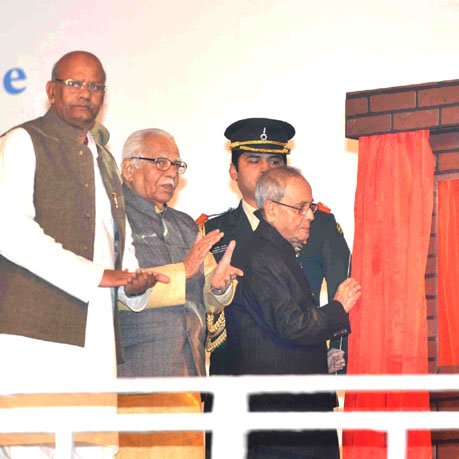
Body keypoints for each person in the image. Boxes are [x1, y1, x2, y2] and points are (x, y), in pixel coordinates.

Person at [0, 51, 166, 457]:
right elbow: (9, 230)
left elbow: (117, 244)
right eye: (74, 83)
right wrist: (95, 275)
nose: (85, 94)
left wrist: (132, 282)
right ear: (51, 91)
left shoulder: (106, 160)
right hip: (33, 331)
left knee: (94, 447)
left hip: (96, 332)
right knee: (32, 447)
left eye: (95, 87)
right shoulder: (23, 141)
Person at [221, 166, 360, 458]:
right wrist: (338, 307)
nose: (310, 215)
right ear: (271, 210)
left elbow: (277, 335)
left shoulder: (278, 252)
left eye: (310, 207)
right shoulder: (260, 256)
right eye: (301, 208)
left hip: (293, 415)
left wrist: (318, 359)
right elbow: (293, 325)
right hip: (282, 421)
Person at [203, 118, 350, 373]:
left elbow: (346, 291)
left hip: (305, 365)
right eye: (253, 160)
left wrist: (333, 355)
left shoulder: (319, 225)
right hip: (234, 374)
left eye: (274, 161)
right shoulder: (212, 232)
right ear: (233, 172)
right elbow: (199, 309)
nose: (265, 169)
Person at [119, 128, 242, 377]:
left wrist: (218, 287)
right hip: (136, 373)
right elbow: (119, 287)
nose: (172, 173)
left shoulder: (185, 224)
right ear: (129, 169)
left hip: (189, 368)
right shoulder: (114, 219)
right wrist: (183, 271)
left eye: (176, 165)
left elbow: (207, 294)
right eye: (161, 163)